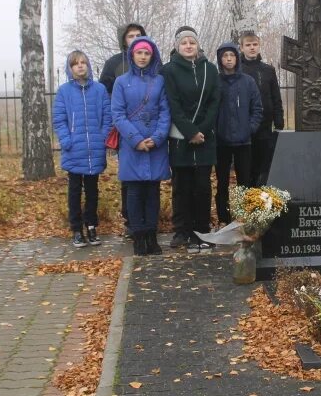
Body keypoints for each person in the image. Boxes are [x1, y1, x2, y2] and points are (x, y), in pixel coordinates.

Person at [162, 26, 221, 251]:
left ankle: (202, 231)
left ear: (198, 46)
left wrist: (201, 131)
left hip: (205, 138)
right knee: (182, 186)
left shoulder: (210, 70)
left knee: (202, 187)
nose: (188, 46)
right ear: (178, 46)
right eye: (184, 43)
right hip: (180, 138)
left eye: (192, 43)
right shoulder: (169, 70)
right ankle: (182, 231)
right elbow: (173, 104)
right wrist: (190, 132)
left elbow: (214, 103)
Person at [112, 37, 171, 256]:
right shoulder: (121, 82)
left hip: (155, 143)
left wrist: (157, 137)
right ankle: (138, 236)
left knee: (153, 191)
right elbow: (117, 114)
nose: (143, 57)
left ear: (152, 56)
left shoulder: (160, 81)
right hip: (131, 144)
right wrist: (136, 139)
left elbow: (165, 112)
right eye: (139, 53)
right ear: (132, 55)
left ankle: (151, 235)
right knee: (135, 192)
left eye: (147, 53)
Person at [52, 50, 111, 248]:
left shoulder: (100, 90)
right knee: (75, 191)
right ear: (70, 68)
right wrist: (66, 140)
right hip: (74, 149)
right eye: (75, 63)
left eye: (83, 62)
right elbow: (59, 119)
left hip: (94, 149)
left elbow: (107, 116)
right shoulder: (64, 91)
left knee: (93, 190)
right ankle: (76, 229)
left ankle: (92, 226)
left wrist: (102, 139)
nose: (80, 66)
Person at [98, 21, 147, 238]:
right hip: (124, 129)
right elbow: (105, 93)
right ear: (124, 40)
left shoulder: (153, 61)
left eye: (139, 35)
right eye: (130, 36)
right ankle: (130, 220)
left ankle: (148, 218)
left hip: (149, 128)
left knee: (149, 175)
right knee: (129, 177)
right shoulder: (114, 64)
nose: (135, 39)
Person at [215, 41, 263, 225]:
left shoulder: (247, 82)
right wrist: (216, 130)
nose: (228, 59)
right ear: (220, 59)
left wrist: (249, 129)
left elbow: (257, 108)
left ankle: (246, 218)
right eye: (225, 56)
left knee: (245, 181)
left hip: (244, 141)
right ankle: (223, 219)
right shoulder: (216, 82)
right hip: (221, 141)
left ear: (237, 58)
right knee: (222, 183)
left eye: (232, 56)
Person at [238, 31, 284, 185]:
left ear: (259, 46)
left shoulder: (268, 70)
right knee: (246, 167)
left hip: (265, 126)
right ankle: (246, 202)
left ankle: (262, 201)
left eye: (255, 44)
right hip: (245, 125)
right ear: (242, 48)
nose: (252, 48)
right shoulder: (238, 70)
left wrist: (279, 121)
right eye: (248, 45)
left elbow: (275, 97)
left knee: (264, 167)